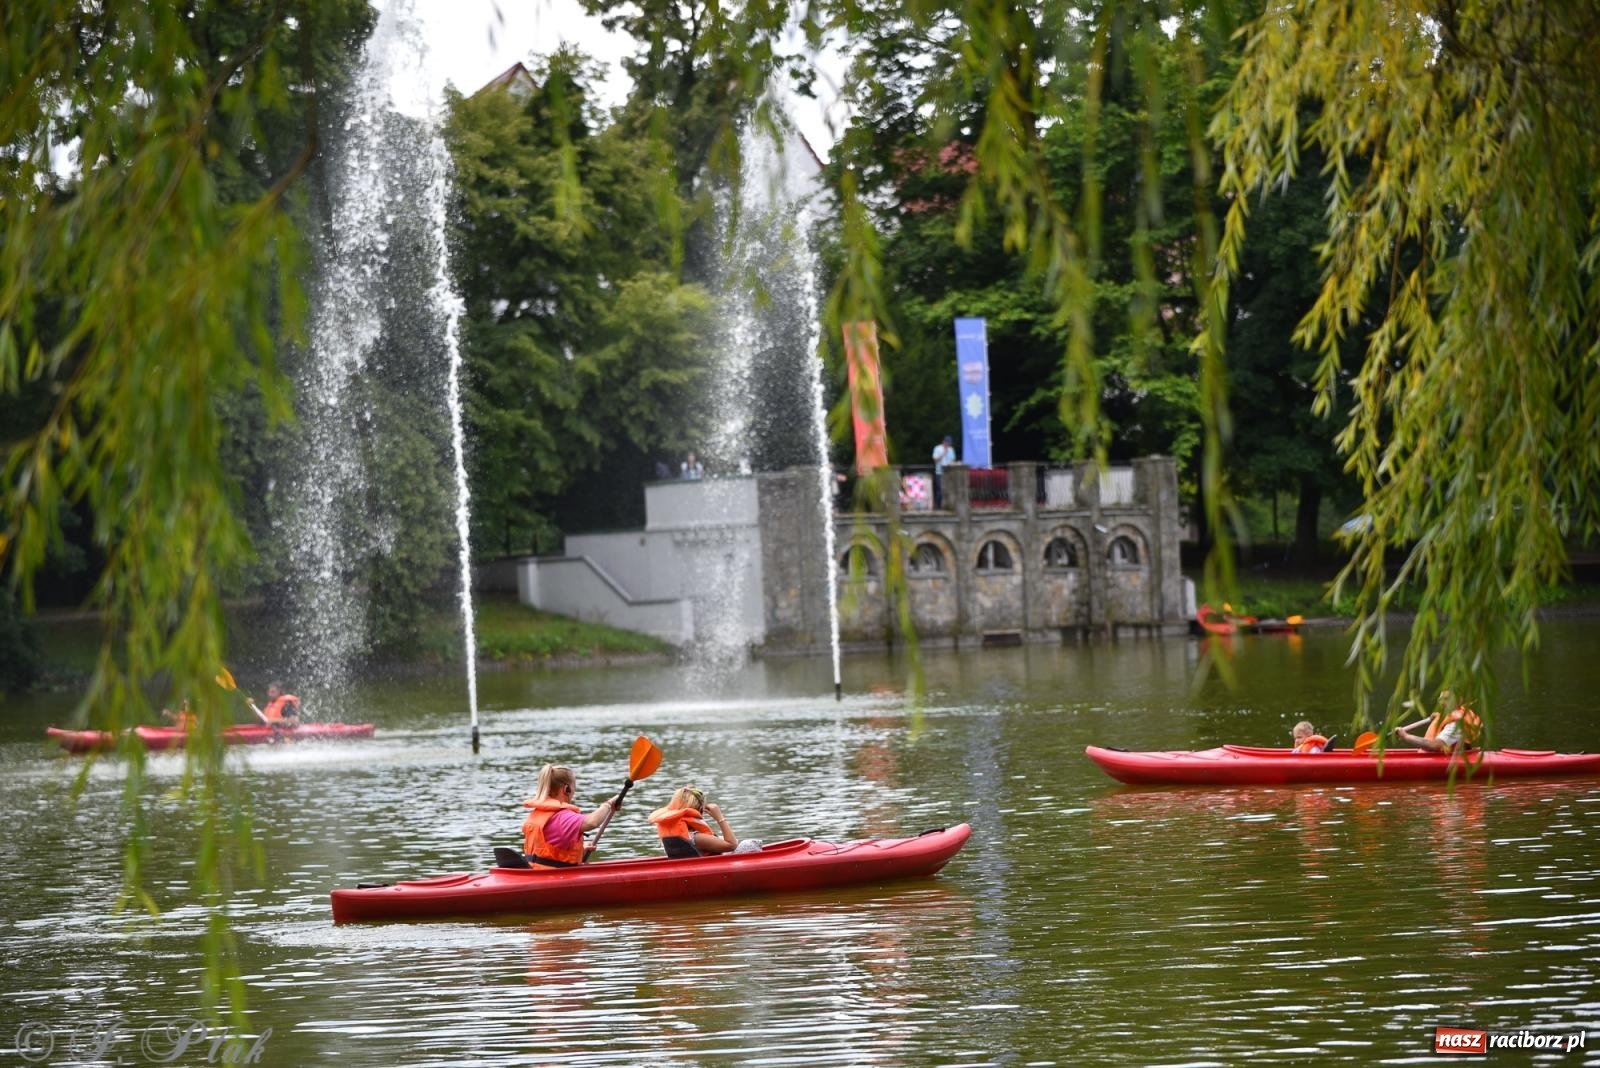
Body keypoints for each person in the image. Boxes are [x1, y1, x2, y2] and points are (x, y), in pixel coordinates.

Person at [520, 764, 624, 867]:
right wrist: (608, 804)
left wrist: (581, 850)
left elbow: (548, 853)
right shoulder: (562, 818)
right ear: (567, 789)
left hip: (536, 872)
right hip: (554, 877)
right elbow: (592, 822)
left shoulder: (538, 813)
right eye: (574, 786)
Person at [649, 785, 738, 859]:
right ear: (699, 810)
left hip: (689, 867)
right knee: (749, 844)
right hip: (708, 869)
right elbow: (731, 845)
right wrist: (720, 817)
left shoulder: (678, 836)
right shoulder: (697, 838)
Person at [1396, 690, 1482, 753]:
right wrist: (1439, 718)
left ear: (1458, 701)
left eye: (1446, 699)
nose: (1442, 703)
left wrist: (1406, 736)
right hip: (1436, 757)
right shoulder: (1450, 716)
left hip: (1446, 761)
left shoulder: (1457, 724)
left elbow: (1434, 746)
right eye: (1441, 699)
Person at [931, 435, 956, 509]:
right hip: (939, 472)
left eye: (949, 443)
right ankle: (937, 506)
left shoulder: (951, 449)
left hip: (949, 473)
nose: (948, 444)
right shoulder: (937, 448)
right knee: (940, 490)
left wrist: (953, 463)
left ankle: (948, 505)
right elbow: (936, 460)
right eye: (947, 442)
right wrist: (944, 453)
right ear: (944, 441)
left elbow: (952, 460)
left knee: (949, 490)